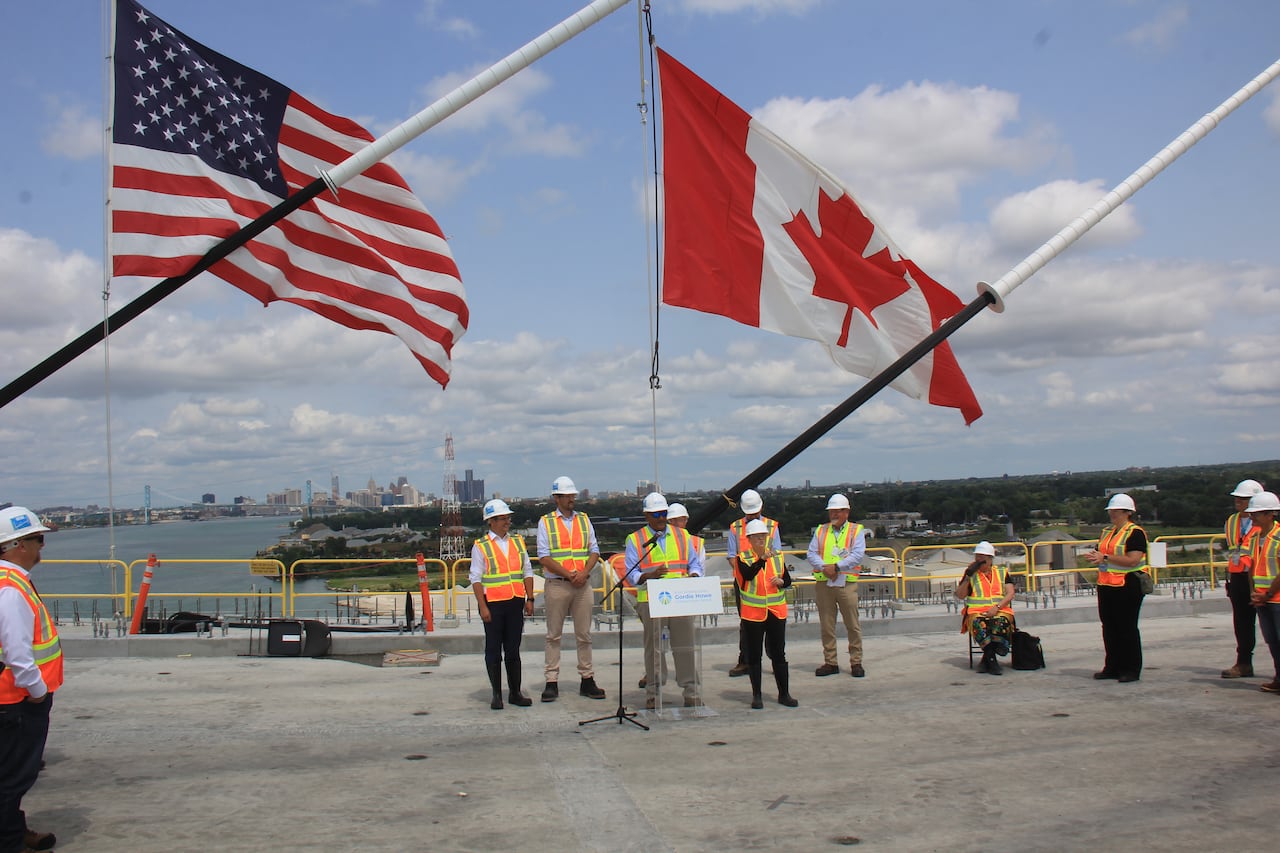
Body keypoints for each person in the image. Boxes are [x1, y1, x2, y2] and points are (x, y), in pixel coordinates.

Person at [0, 506, 60, 853]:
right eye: (38, 539)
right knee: (13, 778)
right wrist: (37, 691)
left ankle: (13, 829)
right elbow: (17, 652)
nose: (42, 546)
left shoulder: (11, 581)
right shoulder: (10, 589)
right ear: (17, 544)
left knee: (10, 777)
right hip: (18, 702)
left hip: (14, 700)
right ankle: (9, 843)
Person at [625, 492, 704, 709]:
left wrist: (695, 576)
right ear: (647, 516)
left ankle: (691, 691)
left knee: (685, 646)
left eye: (664, 514)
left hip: (679, 598)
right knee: (655, 649)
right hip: (651, 599)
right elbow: (631, 574)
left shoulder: (682, 536)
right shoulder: (636, 539)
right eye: (656, 514)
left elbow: (694, 564)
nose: (661, 518)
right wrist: (648, 576)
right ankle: (653, 692)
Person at [536, 476, 606, 703]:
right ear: (556, 498)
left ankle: (587, 678)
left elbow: (594, 550)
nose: (571, 500)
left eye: (572, 496)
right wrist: (569, 574)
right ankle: (551, 681)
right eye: (567, 496)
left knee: (584, 634)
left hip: (582, 584)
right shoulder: (545, 522)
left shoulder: (584, 520)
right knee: (553, 635)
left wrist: (584, 573)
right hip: (558, 584)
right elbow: (544, 557)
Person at [470, 499, 535, 710]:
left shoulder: (517, 542)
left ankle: (515, 692)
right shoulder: (481, 546)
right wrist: (483, 606)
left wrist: (530, 598)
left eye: (508, 518)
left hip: (515, 602)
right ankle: (497, 695)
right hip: (494, 604)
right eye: (503, 518)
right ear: (491, 521)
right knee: (493, 650)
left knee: (513, 649)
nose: (507, 522)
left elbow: (527, 571)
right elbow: (476, 578)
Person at [1084, 493, 1150, 683]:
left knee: (1127, 628)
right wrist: (1097, 557)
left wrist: (1104, 558)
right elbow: (1102, 552)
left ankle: (1131, 669)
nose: (1112, 514)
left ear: (1127, 512)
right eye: (1111, 510)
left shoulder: (1135, 533)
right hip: (1106, 584)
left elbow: (1133, 560)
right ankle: (1112, 666)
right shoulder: (1107, 531)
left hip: (1128, 585)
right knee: (1110, 627)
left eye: (1116, 510)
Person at [736, 518, 798, 709]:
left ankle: (784, 694)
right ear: (749, 539)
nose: (761, 540)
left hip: (775, 612)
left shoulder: (777, 556)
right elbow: (747, 575)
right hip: (753, 614)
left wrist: (782, 582)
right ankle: (757, 696)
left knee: (779, 653)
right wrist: (760, 560)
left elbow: (786, 580)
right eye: (757, 537)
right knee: (754, 656)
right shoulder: (743, 558)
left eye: (763, 536)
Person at [806, 494, 868, 677]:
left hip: (846, 583)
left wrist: (837, 567)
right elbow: (811, 553)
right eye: (831, 511)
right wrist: (825, 568)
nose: (833, 514)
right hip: (825, 582)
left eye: (837, 511)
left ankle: (856, 662)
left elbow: (857, 555)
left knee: (852, 624)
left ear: (846, 512)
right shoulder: (821, 530)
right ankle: (830, 662)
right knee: (827, 625)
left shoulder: (856, 531)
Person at [725, 489, 780, 678]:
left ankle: (775, 660)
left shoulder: (771, 526)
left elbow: (777, 554)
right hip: (745, 584)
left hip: (768, 582)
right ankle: (746, 660)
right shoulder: (736, 527)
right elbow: (732, 556)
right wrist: (745, 575)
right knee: (748, 623)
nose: (752, 515)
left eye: (755, 512)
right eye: (749, 513)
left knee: (772, 623)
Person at [1222, 479, 1263, 678]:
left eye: (1243, 499)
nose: (1238, 502)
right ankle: (1244, 662)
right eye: (1237, 499)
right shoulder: (1231, 522)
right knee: (1242, 622)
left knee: (1272, 626)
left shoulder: (1267, 525)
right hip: (1239, 577)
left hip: (1262, 579)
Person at [955, 541, 1015, 675]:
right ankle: (992, 660)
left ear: (990, 559)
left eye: (982, 557)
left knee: (1000, 623)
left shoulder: (1001, 572)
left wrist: (997, 607)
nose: (979, 560)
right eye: (977, 557)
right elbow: (960, 595)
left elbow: (1010, 593)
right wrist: (967, 577)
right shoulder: (972, 575)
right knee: (980, 624)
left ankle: (986, 660)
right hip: (977, 612)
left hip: (999, 610)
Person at [1245, 491, 1280, 694]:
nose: (1252, 517)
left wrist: (1266, 595)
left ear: (1270, 514)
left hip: (1275, 598)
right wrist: (1254, 593)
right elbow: (1252, 566)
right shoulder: (1257, 537)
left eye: (1256, 514)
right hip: (1262, 598)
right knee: (1272, 640)